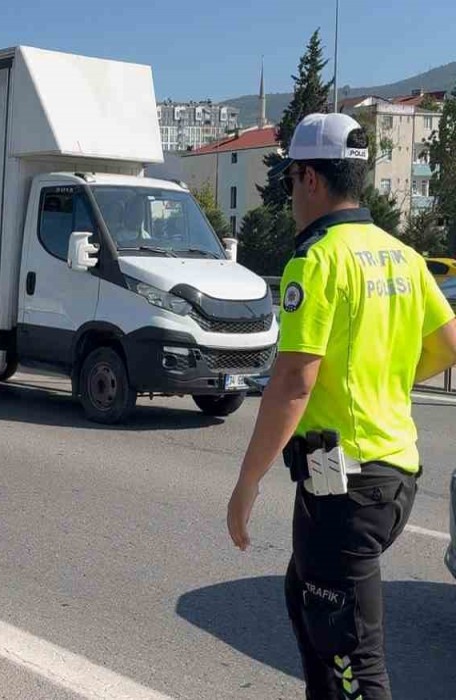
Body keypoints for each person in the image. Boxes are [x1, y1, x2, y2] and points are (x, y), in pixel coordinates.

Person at [227, 113, 456, 699]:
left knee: (352, 658)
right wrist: (385, 378)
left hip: (347, 488)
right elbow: (448, 345)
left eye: (289, 180)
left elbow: (292, 383)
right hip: (395, 477)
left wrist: (247, 483)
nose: (290, 194)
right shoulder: (403, 256)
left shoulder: (318, 260)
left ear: (309, 179)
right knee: (307, 599)